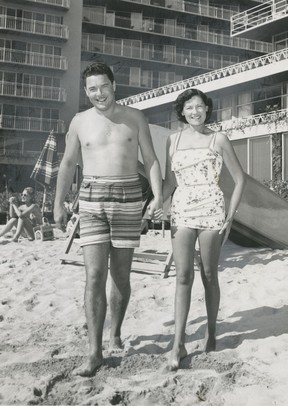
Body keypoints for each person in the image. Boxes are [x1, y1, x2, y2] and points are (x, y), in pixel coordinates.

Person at [53, 62, 163, 377]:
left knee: (121, 276)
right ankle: (94, 351)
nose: (99, 94)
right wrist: (57, 204)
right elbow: (68, 162)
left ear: (114, 84)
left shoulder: (135, 117)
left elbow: (151, 159)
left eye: (103, 86)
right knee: (95, 274)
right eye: (92, 89)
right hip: (91, 199)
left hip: (129, 198)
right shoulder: (79, 122)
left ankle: (115, 330)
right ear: (86, 92)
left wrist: (157, 196)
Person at [160, 88, 245, 371]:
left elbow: (239, 178)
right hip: (182, 209)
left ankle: (210, 332)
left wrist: (230, 216)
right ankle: (178, 343)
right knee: (183, 276)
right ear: (181, 112)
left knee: (209, 274)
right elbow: (170, 181)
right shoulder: (173, 140)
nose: (195, 111)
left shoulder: (218, 139)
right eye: (189, 107)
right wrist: (156, 201)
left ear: (207, 110)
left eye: (200, 106)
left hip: (212, 210)